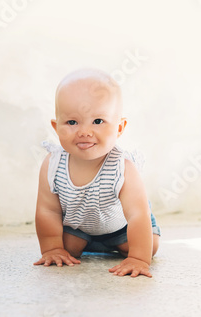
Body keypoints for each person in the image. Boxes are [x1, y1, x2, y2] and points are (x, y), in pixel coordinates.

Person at [34, 68, 160, 277]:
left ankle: (114, 245)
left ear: (119, 128)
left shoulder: (123, 167)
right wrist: (52, 248)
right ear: (56, 128)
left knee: (149, 246)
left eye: (98, 121)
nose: (84, 131)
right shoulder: (53, 164)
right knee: (66, 249)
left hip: (122, 226)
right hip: (79, 225)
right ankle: (89, 242)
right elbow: (48, 211)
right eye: (72, 122)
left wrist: (139, 258)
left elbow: (137, 214)